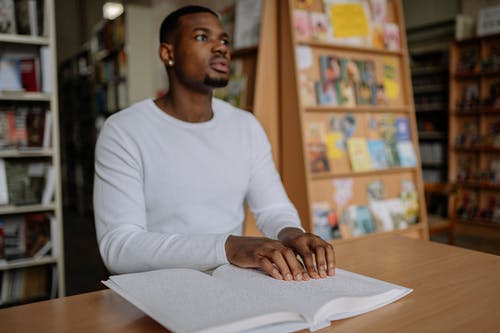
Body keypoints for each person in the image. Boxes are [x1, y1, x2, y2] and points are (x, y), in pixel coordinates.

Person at [93, 5, 335, 281]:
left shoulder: (246, 126)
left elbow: (273, 208)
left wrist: (291, 233)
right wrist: (227, 247)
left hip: (230, 281)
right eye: (201, 37)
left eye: (224, 40)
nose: (220, 48)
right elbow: (119, 247)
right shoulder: (124, 130)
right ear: (167, 53)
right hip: (156, 286)